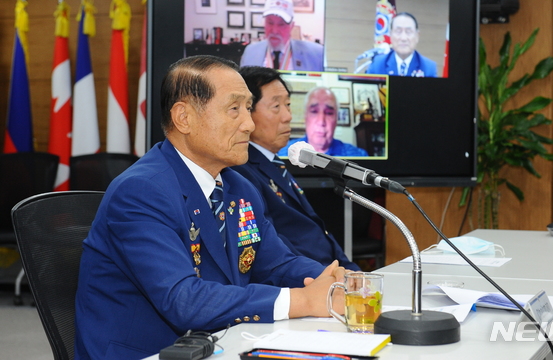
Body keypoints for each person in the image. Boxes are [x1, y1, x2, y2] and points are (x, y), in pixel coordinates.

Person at [74, 56, 344, 360]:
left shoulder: (238, 187)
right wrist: (302, 301)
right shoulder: (140, 192)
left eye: (248, 107)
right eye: (234, 109)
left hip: (222, 342)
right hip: (150, 353)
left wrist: (335, 281)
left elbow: (276, 263)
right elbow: (183, 300)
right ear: (184, 118)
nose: (249, 124)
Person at [233, 66, 360, 271]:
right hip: (307, 282)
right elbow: (275, 247)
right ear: (247, 112)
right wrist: (331, 278)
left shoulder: (276, 164)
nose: (288, 116)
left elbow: (317, 229)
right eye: (276, 107)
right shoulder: (241, 171)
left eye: (289, 105)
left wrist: (351, 271)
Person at [279, 86, 368, 157]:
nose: (321, 122)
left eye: (329, 113)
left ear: (336, 119)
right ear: (305, 117)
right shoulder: (282, 154)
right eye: (314, 111)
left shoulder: (359, 156)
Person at [240, 0, 324, 71]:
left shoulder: (316, 54)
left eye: (281, 24)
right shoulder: (250, 52)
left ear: (292, 26)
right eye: (270, 23)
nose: (274, 31)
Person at [366, 12, 438, 77]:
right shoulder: (377, 64)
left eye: (408, 32)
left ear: (417, 36)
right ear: (390, 35)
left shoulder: (428, 67)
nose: (403, 38)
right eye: (398, 31)